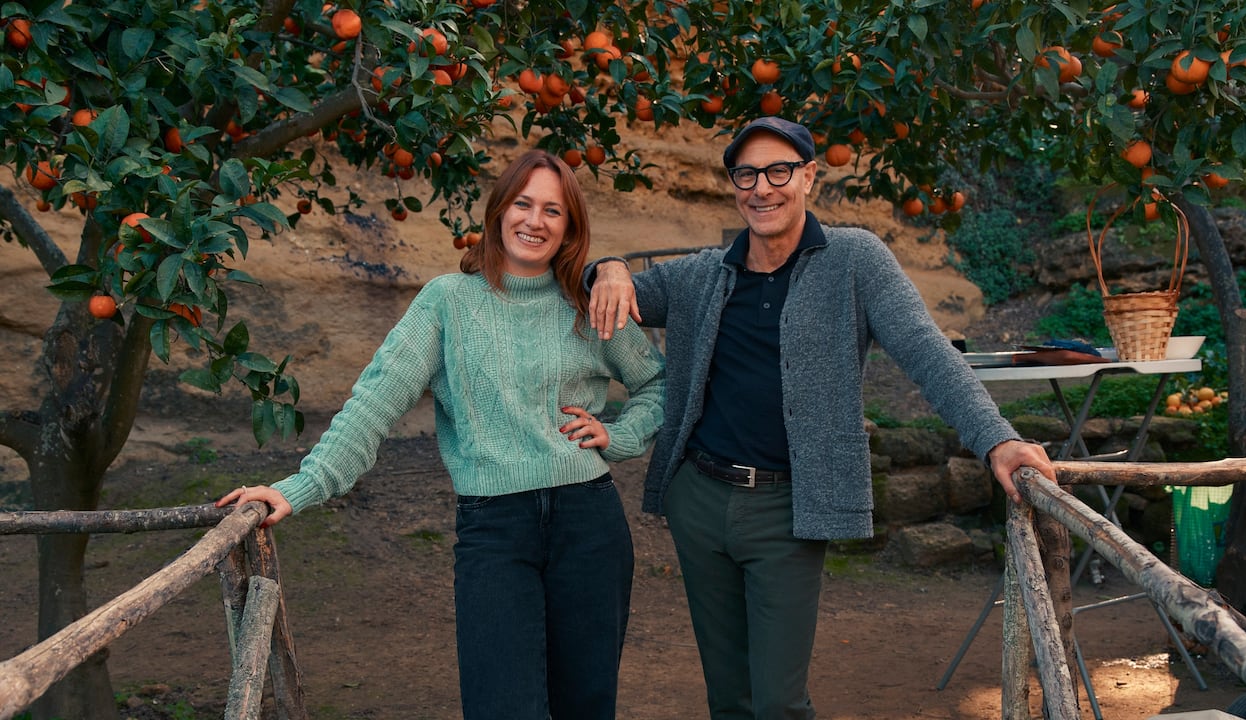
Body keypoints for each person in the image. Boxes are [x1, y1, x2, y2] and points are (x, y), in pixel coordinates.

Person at [585, 117, 1057, 720]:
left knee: (779, 703)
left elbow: (927, 351)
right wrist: (609, 266)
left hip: (788, 509)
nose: (762, 188)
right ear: (734, 185)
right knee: (728, 698)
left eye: (778, 171)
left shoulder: (855, 259)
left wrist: (997, 440)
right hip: (698, 500)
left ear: (809, 176)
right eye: (747, 175)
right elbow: (612, 286)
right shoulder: (703, 273)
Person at [217, 149, 665, 719]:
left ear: (570, 227)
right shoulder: (447, 302)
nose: (535, 221)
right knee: (501, 707)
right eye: (523, 204)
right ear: (499, 211)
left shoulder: (587, 303)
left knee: (586, 706)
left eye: (553, 210)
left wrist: (619, 437)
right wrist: (300, 487)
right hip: (495, 531)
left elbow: (659, 384)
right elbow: (375, 402)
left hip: (590, 525)